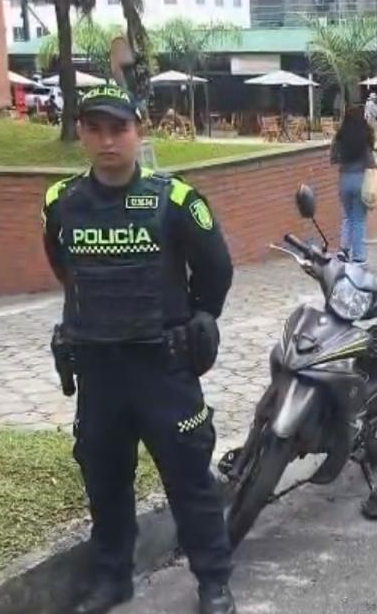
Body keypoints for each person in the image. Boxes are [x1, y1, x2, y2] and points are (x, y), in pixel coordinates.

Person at [41, 85, 238, 614]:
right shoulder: (61, 202)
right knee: (105, 481)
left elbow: (216, 269)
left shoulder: (176, 200)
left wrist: (199, 318)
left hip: (163, 367)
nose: (107, 141)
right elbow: (64, 269)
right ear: (81, 132)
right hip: (99, 370)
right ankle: (113, 581)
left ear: (138, 131)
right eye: (95, 129)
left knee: (191, 481)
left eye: (118, 128)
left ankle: (214, 583)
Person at [330, 105, 376, 263]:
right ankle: (359, 256)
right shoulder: (365, 135)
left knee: (347, 217)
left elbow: (333, 158)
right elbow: (370, 161)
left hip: (344, 178)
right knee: (359, 219)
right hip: (361, 178)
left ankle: (343, 249)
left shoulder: (340, 136)